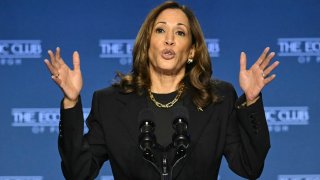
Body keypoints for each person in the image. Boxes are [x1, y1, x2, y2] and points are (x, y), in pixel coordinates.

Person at [44, 1, 279, 180]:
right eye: (160, 30)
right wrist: (71, 101)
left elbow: (249, 166)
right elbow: (79, 172)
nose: (169, 40)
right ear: (146, 46)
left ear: (191, 52)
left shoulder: (218, 99)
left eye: (180, 32)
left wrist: (252, 99)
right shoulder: (110, 102)